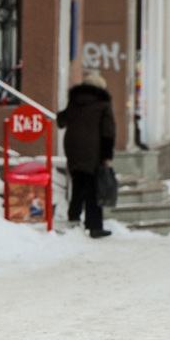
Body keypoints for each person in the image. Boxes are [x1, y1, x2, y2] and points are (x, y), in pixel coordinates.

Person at [56, 73, 116, 239]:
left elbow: (61, 121)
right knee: (94, 189)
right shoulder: (103, 104)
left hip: (73, 149)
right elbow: (108, 132)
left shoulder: (74, 100)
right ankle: (95, 226)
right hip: (93, 152)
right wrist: (107, 155)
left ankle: (73, 217)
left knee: (78, 184)